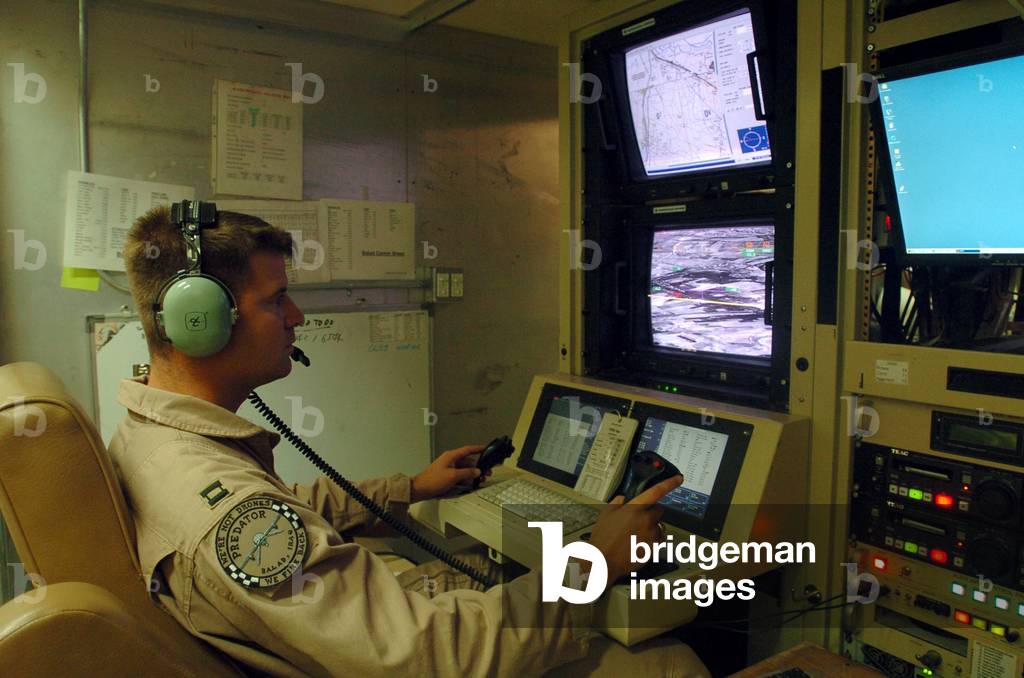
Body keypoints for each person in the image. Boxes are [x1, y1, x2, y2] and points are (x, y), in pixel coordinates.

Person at [108, 205, 710, 677]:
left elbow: (281, 521)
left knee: (480, 568)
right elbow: (435, 660)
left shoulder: (162, 441)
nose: (295, 316)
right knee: (669, 661)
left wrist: (409, 488)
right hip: (415, 656)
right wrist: (595, 561)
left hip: (352, 638)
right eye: (274, 299)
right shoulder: (219, 507)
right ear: (202, 322)